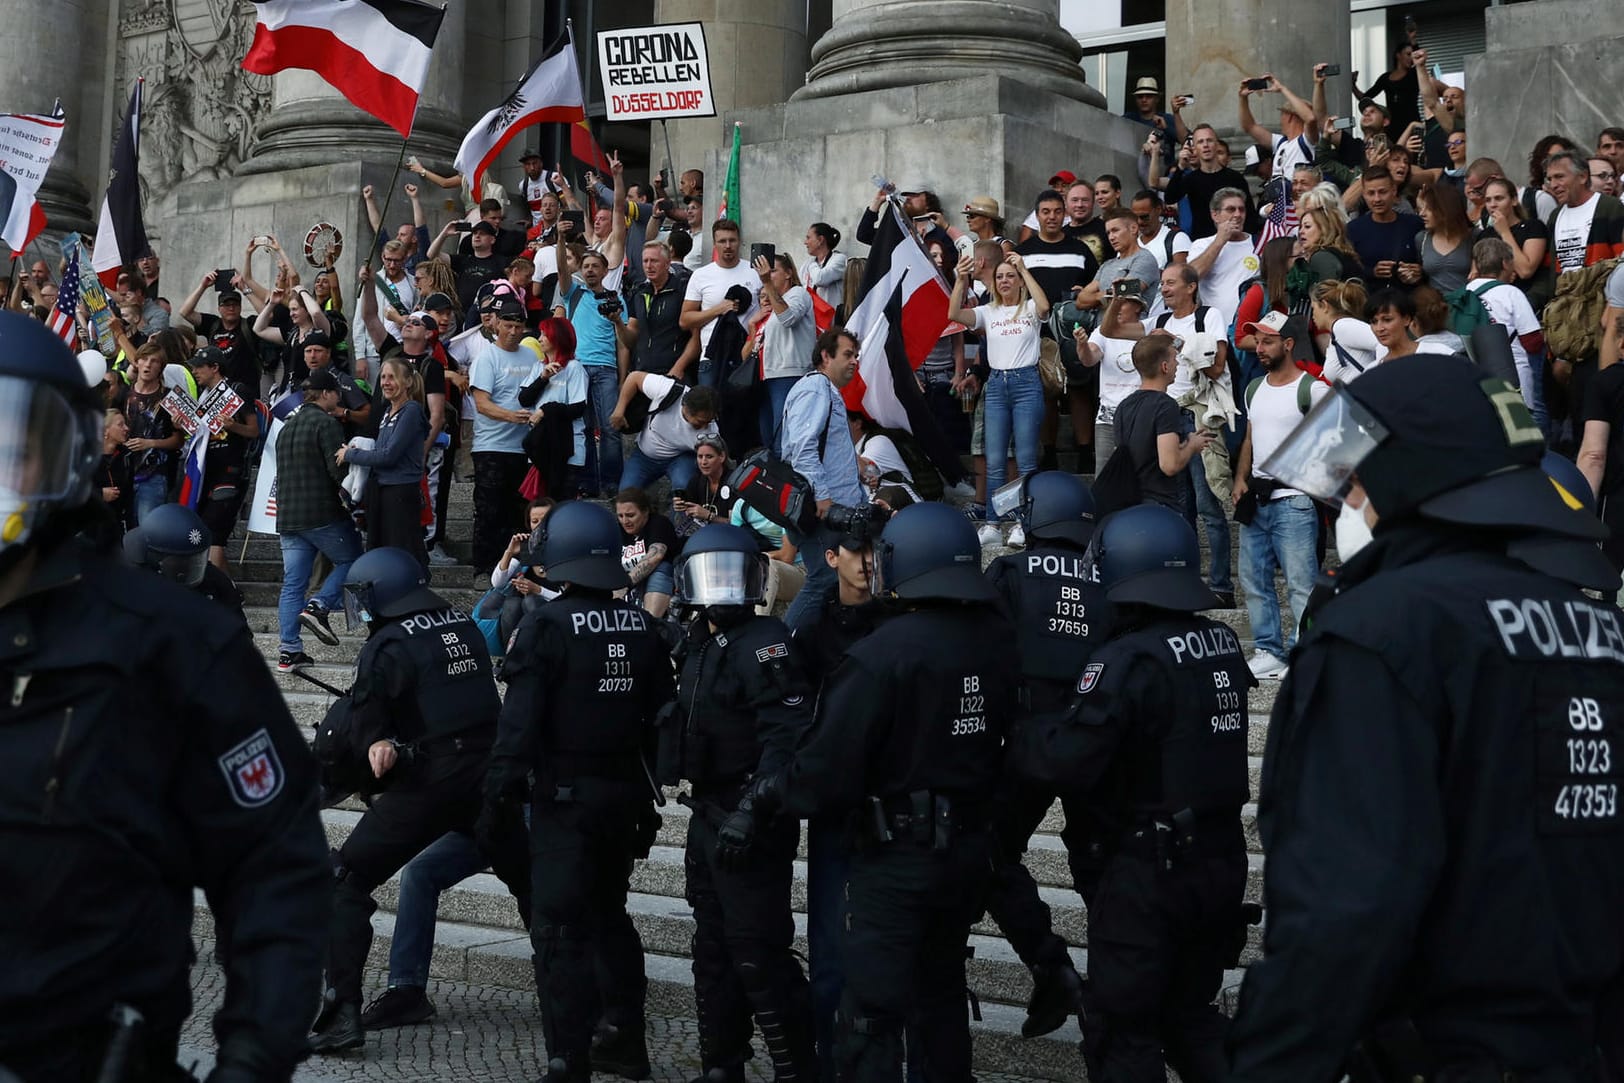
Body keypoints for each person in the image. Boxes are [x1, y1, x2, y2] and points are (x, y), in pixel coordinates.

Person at [1229, 353, 1624, 1079]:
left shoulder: (1384, 630)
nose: (1349, 501)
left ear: (1407, 474)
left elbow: (1342, 915)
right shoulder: (1595, 627)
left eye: (1356, 482)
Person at [0, 311, 330, 1082]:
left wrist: (249, 1061)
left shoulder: (171, 641)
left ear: (66, 456)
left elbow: (276, 864)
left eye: (13, 445)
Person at [743, 502, 1019, 1083]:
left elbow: (825, 767)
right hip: (965, 845)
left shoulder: (881, 655)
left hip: (892, 851)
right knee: (940, 995)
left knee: (870, 1010)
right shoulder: (994, 639)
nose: (869, 566)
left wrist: (767, 798)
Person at [1026, 502, 1252, 1082]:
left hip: (1149, 874)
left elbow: (1065, 762)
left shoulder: (1128, 660)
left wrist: (1021, 730)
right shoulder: (1221, 644)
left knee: (1122, 1033)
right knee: (1191, 1017)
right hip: (1219, 863)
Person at [309, 547, 531, 1054]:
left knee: (344, 879)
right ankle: (588, 1004)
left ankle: (342, 1014)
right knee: (536, 891)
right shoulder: (462, 625)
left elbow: (364, 732)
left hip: (431, 781)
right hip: (490, 779)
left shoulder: (387, 644)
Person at [481, 501, 672, 1083]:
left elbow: (520, 722)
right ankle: (625, 1041)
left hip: (564, 798)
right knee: (612, 915)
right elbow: (661, 712)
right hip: (624, 794)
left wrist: (496, 794)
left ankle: (570, 1058)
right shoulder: (641, 622)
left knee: (560, 928)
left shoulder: (545, 623)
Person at [662, 523, 817, 1083]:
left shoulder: (767, 642)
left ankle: (797, 1067)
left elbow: (787, 737)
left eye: (732, 575)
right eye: (711, 575)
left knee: (757, 950)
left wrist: (753, 809)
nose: (722, 588)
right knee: (712, 948)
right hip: (706, 811)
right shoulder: (700, 641)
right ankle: (722, 1063)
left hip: (752, 816)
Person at [980, 472, 1109, 1038]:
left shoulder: (1009, 570)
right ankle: (1110, 989)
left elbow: (981, 650)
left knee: (990, 855)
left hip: (1024, 736)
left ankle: (1049, 964)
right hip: (1094, 739)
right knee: (1103, 870)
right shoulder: (1110, 575)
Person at [1232, 313, 1328, 681]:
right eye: (1257, 342)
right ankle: (1268, 650)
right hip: (1257, 497)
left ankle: (1305, 652)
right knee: (1254, 580)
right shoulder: (1254, 387)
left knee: (1301, 583)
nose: (1260, 348)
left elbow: (1336, 438)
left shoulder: (1313, 389)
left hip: (1295, 499)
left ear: (1288, 344)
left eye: (1268, 341)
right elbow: (1251, 439)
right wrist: (1241, 477)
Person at [947, 252, 1049, 546]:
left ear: (1019, 281)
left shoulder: (1029, 307)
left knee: (1026, 459)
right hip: (996, 385)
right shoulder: (988, 311)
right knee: (994, 460)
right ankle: (992, 523)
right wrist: (961, 277)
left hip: (1026, 382)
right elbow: (954, 313)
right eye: (1000, 276)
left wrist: (1024, 268)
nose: (1005, 281)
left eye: (1010, 276)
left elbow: (1044, 306)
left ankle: (1023, 523)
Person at [275, 370, 365, 670]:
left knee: (293, 584)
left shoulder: (287, 427)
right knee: (352, 559)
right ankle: (319, 606)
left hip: (288, 516)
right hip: (321, 513)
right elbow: (337, 472)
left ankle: (289, 651)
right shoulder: (326, 423)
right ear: (325, 393)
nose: (339, 398)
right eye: (337, 393)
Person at [780, 329, 867, 632]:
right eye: (847, 355)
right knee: (824, 579)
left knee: (839, 581)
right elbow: (803, 448)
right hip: (823, 510)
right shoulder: (816, 387)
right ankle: (783, 648)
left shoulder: (825, 389)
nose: (854, 361)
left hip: (837, 507)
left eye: (856, 355)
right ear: (825, 356)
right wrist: (822, 495)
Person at [469, 301, 541, 572]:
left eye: (518, 327)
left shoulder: (531, 357)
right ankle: (483, 567)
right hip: (492, 445)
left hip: (523, 447)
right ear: (496, 324)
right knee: (489, 511)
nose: (512, 331)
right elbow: (482, 403)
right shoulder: (487, 358)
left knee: (518, 512)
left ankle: (517, 566)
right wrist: (512, 416)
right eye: (508, 326)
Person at [340, 356, 429, 567]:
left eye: (392, 377)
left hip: (400, 492)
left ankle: (412, 592)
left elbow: (388, 456)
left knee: (402, 552)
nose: (385, 383)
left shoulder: (412, 411)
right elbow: (380, 451)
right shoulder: (387, 413)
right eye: (383, 377)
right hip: (381, 490)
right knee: (381, 551)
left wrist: (350, 454)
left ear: (407, 382)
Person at [1114, 334, 1214, 514]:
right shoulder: (1166, 405)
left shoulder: (1123, 406)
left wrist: (1184, 444)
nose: (1177, 364)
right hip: (1158, 506)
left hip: (1128, 505)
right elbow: (1169, 465)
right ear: (1165, 367)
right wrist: (1191, 446)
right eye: (1175, 359)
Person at [190, 345, 262, 571]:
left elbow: (254, 430)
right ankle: (226, 588)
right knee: (207, 532)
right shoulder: (202, 396)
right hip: (206, 469)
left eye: (199, 367)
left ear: (215, 367)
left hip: (231, 469)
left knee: (214, 531)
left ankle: (218, 590)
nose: (195, 372)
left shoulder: (238, 390)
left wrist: (233, 425)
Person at [746, 253, 816, 445]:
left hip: (790, 373)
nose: (768, 274)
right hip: (767, 375)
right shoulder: (773, 302)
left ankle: (787, 474)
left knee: (782, 436)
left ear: (788, 273)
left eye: (773, 270)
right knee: (768, 436)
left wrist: (766, 283)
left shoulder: (798, 294)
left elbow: (788, 319)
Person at [609, 373, 720, 492]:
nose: (705, 426)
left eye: (709, 421)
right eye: (700, 421)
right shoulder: (667, 390)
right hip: (644, 456)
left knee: (683, 490)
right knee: (626, 494)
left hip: (680, 458)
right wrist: (619, 411)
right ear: (686, 408)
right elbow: (634, 378)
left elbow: (715, 462)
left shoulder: (711, 431)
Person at [1479, 175, 1556, 313]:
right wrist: (1503, 276)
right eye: (1488, 200)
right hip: (1492, 306)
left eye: (1499, 198)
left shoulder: (1533, 227)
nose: (1493, 204)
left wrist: (1504, 233)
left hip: (1527, 303)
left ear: (1514, 200)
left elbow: (1525, 270)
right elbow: (1476, 275)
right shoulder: (1484, 235)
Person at [1347, 166, 1425, 294]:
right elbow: (1348, 271)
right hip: (1369, 304)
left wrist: (1418, 272)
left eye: (1382, 192)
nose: (1377, 199)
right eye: (1371, 193)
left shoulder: (1414, 224)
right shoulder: (1353, 229)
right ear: (1364, 195)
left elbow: (1431, 264)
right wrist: (1372, 272)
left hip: (1408, 303)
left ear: (1394, 190)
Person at [615, 487, 680, 618]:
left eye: (630, 515)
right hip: (630, 587)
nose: (625, 521)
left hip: (662, 584)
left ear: (645, 511)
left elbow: (656, 556)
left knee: (661, 567)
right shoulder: (617, 530)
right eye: (620, 516)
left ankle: (650, 623)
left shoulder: (659, 523)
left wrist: (624, 584)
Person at [1404, 182, 1474, 293]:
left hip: (1466, 305)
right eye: (1421, 209)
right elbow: (1422, 278)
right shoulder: (1421, 238)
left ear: (1445, 209)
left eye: (1429, 208)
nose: (1422, 214)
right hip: (1435, 307)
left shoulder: (1473, 236)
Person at [1312, 279, 1380, 382]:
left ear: (1325, 306)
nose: (1312, 315)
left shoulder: (1342, 326)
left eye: (1313, 308)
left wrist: (1367, 377)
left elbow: (1385, 342)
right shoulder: (1337, 332)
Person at [675, 433, 734, 536]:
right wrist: (682, 508)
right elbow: (690, 516)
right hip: (704, 536)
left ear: (722, 457)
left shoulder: (733, 481)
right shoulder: (696, 480)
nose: (703, 462)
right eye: (700, 457)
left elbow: (736, 525)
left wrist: (709, 516)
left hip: (729, 536)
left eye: (709, 457)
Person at [800, 223, 848, 310]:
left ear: (820, 240)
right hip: (811, 320)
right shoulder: (807, 264)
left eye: (808, 238)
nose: (805, 242)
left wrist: (812, 264)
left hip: (830, 320)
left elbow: (820, 279)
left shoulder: (839, 259)